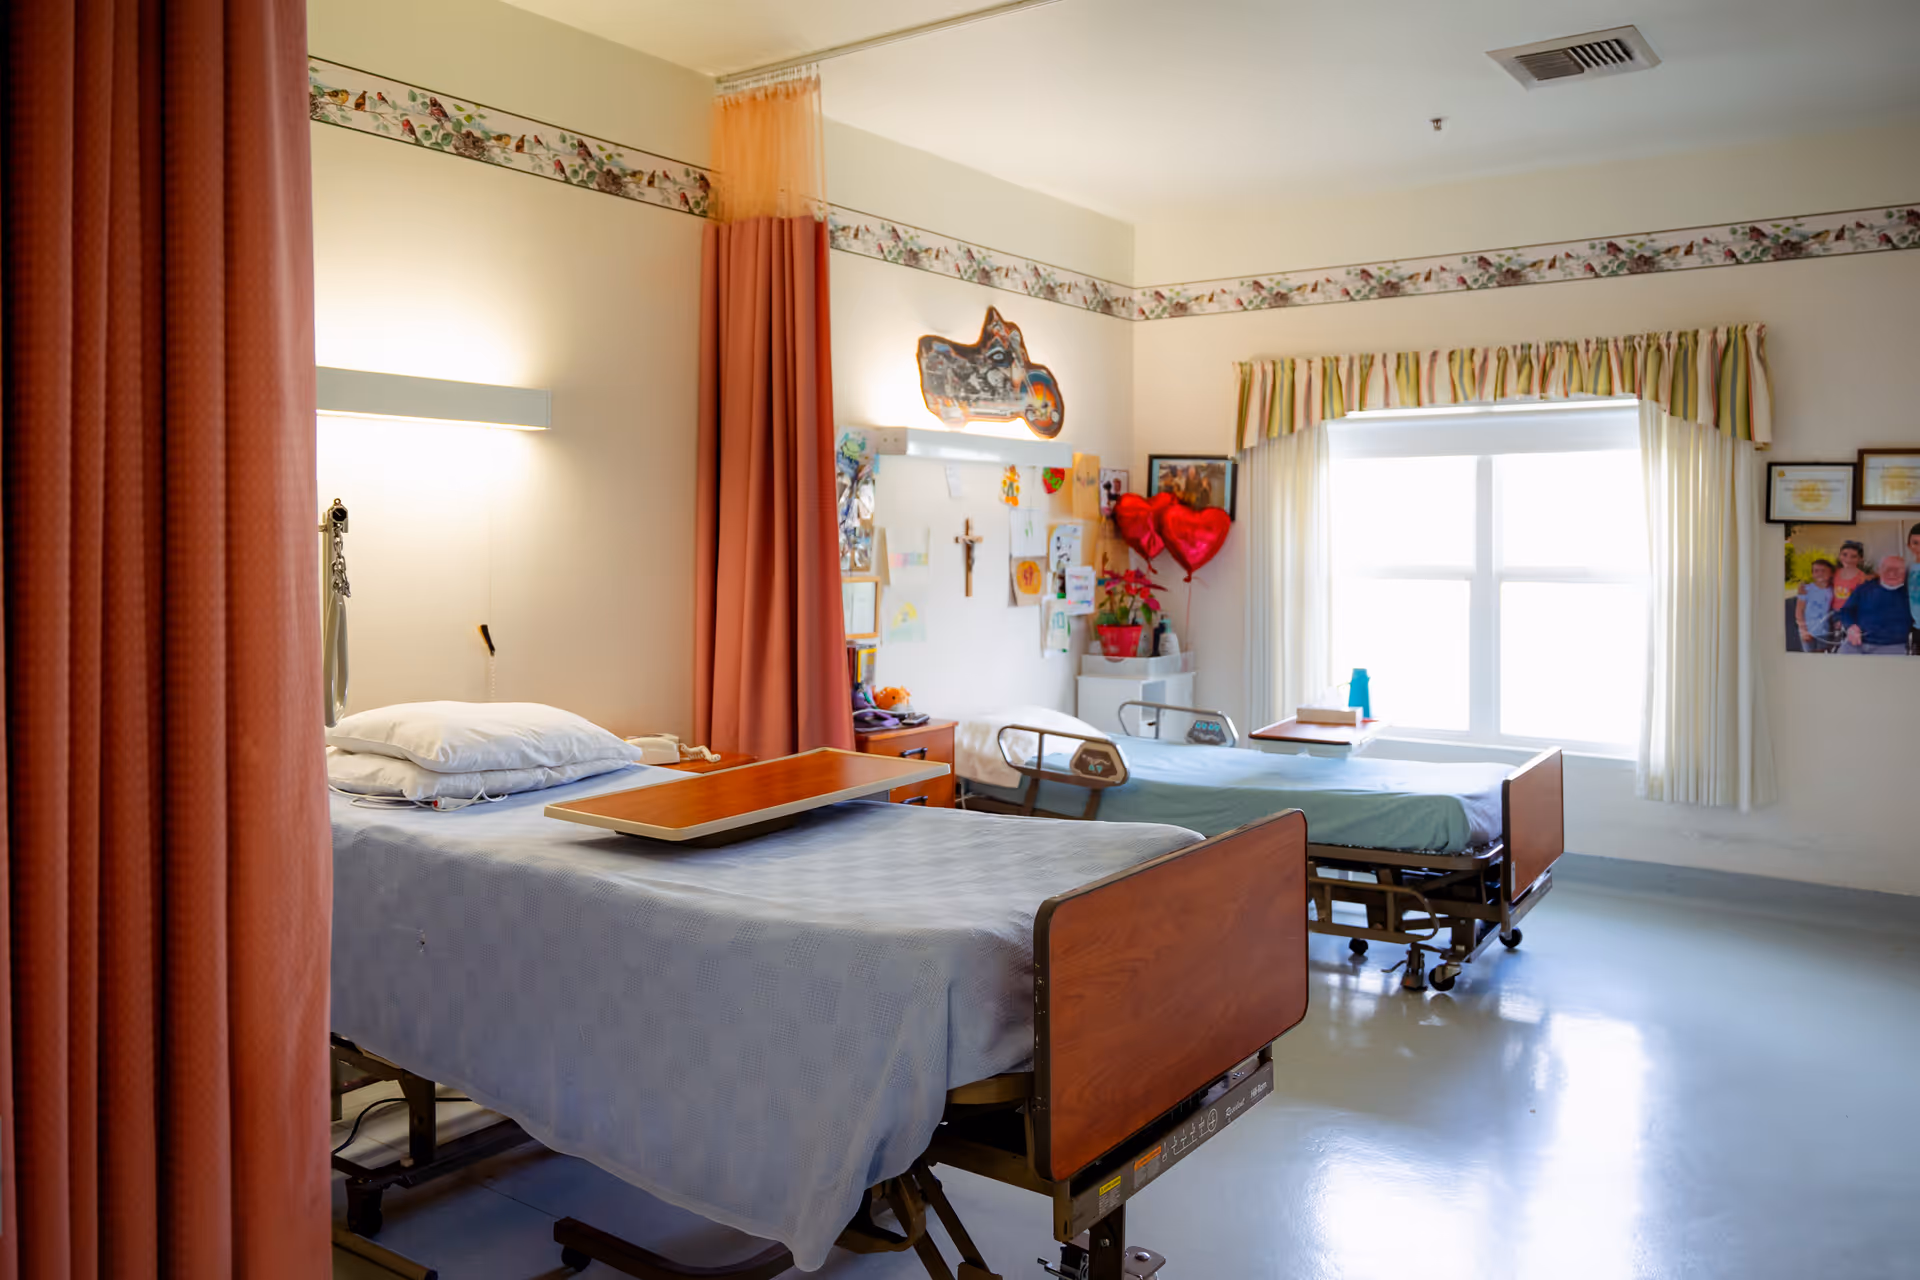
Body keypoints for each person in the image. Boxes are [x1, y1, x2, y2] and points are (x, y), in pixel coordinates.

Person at [1834, 555, 1911, 655]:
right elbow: (1846, 610)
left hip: (1891, 645)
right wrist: (1850, 627)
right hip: (1856, 642)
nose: (1892, 573)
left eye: (1898, 569)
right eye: (1888, 569)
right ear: (1879, 570)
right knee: (1840, 666)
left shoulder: (1910, 593)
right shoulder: (1864, 588)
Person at [1796, 559, 1839, 653]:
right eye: (1816, 571)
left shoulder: (1833, 590)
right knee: (1809, 658)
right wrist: (1803, 630)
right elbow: (1799, 611)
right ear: (1812, 574)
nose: (1820, 573)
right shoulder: (1806, 589)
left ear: (1831, 573)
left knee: (1822, 657)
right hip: (1808, 631)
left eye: (1823, 571)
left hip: (1824, 631)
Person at [1831, 539, 1870, 607]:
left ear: (1860, 559)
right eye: (1844, 555)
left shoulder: (1862, 577)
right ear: (1839, 555)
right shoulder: (1834, 572)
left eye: (1853, 557)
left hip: (1850, 613)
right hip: (1834, 611)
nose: (1848, 559)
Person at [1907, 522, 1920, 654]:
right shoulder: (1907, 569)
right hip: (1916, 628)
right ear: (1909, 545)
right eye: (1915, 542)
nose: (1918, 547)